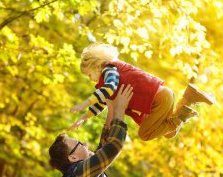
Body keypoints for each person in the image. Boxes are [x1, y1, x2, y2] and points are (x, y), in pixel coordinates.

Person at [69, 42, 215, 141]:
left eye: (89, 75)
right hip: (162, 97)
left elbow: (109, 88)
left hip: (159, 99)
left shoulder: (109, 69)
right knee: (169, 132)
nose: (90, 79)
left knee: (145, 134)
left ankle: (185, 107)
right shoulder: (106, 78)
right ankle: (188, 98)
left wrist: (83, 103)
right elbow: (100, 104)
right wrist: (83, 117)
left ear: (97, 65)